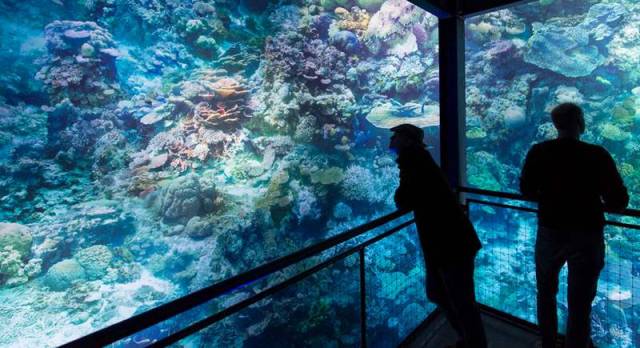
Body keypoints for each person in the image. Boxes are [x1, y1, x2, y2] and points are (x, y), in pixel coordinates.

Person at [520, 103, 629, 348]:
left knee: (546, 292)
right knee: (580, 300)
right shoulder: (597, 154)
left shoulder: (539, 151)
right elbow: (619, 200)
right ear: (580, 122)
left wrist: (549, 197)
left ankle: (548, 342)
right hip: (587, 233)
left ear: (556, 124)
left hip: (550, 230)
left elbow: (526, 190)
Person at [390, 123, 487, 348]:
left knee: (462, 301)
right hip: (443, 243)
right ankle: (467, 339)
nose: (391, 140)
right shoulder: (418, 159)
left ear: (406, 140)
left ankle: (475, 344)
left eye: (395, 136)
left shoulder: (413, 161)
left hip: (451, 244)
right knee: (438, 294)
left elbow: (403, 200)